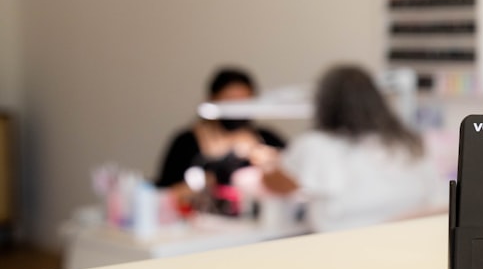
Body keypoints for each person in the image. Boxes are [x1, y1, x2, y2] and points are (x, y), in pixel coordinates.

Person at [262, 64, 439, 232]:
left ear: (324, 103)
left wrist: (267, 164)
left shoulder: (317, 144)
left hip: (342, 240)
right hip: (407, 235)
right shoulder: (406, 141)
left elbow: (278, 183)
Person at [155, 67, 286, 208]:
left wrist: (269, 163)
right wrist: (210, 175)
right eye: (230, 101)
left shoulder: (266, 139)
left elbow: (293, 177)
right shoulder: (186, 143)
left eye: (244, 102)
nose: (237, 109)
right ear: (213, 99)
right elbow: (165, 195)